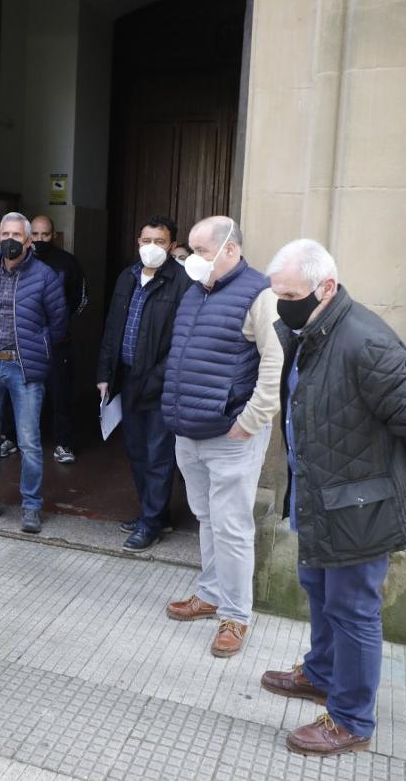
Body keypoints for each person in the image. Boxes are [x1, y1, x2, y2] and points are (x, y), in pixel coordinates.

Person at [260, 239, 406, 756]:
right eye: (277, 294)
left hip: (360, 506)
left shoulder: (365, 341)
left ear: (327, 287)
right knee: (318, 590)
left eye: (291, 293)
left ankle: (350, 720)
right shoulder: (310, 331)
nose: (283, 304)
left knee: (354, 608)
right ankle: (321, 673)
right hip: (319, 497)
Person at [161, 215, 282, 658]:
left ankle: (236, 616)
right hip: (190, 430)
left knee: (232, 526)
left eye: (202, 251)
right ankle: (210, 594)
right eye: (190, 251)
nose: (192, 260)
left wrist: (251, 419)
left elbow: (276, 364)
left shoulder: (261, 294)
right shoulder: (196, 292)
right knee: (207, 518)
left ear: (230, 249)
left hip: (231, 434)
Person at [0, 213, 66, 535]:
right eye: (5, 232)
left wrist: (39, 345)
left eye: (16, 234)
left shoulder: (45, 276)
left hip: (25, 366)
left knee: (30, 441)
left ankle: (31, 506)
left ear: (29, 240)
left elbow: (58, 323)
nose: (10, 239)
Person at [96, 216, 191, 552]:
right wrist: (104, 374)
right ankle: (153, 512)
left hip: (160, 385)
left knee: (158, 455)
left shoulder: (182, 282)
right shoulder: (128, 276)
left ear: (172, 245)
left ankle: (152, 522)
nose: (152, 247)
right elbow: (112, 328)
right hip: (126, 379)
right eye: (146, 240)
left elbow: (183, 340)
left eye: (160, 241)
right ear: (138, 241)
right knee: (136, 452)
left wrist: (159, 377)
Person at [0, 214, 87, 464]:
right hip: (21, 342)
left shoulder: (67, 263)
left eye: (45, 234)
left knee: (61, 394)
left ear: (54, 235)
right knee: (13, 391)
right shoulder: (17, 261)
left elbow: (81, 300)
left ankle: (63, 442)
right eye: (35, 235)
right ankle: (10, 437)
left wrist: (61, 325)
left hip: (57, 343)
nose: (40, 240)